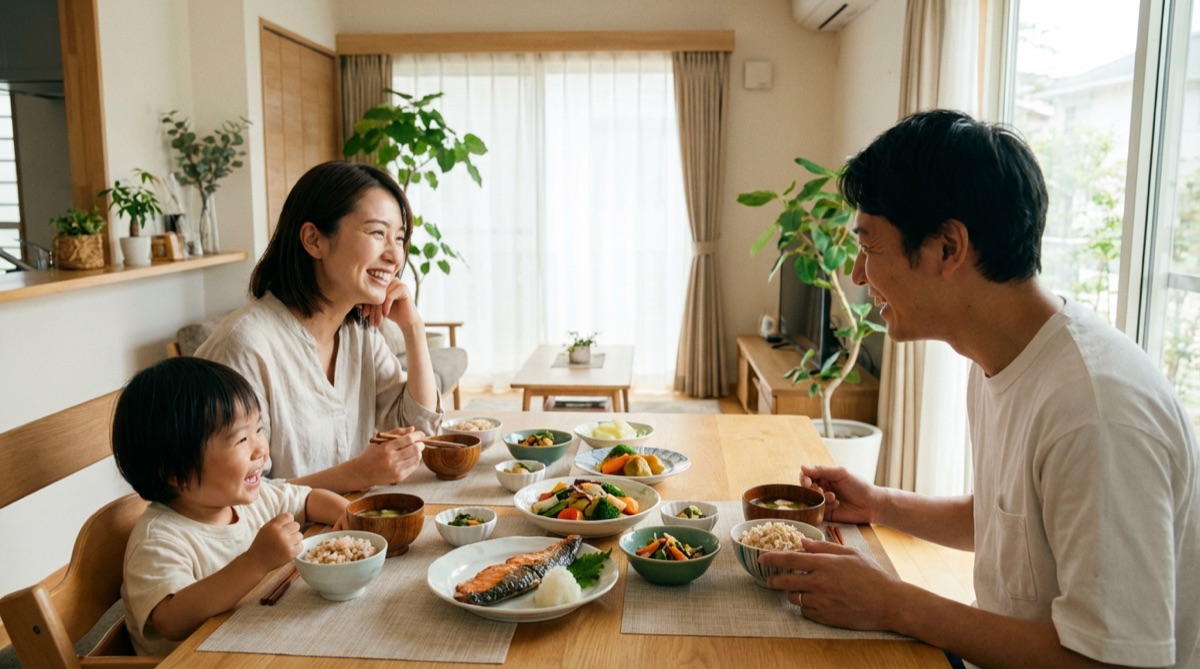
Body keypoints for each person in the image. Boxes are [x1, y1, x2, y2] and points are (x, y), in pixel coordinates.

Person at [763, 109, 1200, 668]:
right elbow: (1009, 523)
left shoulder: (1094, 412)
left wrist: (894, 603)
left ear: (948, 248)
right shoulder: (998, 354)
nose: (856, 275)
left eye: (870, 248)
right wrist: (879, 504)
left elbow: (1117, 663)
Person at [197, 161, 443, 493]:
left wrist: (413, 328)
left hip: (347, 534)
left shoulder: (359, 334)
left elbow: (415, 432)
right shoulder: (246, 345)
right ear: (314, 240)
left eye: (399, 238)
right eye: (377, 233)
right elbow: (238, 496)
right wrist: (357, 474)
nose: (394, 255)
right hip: (279, 543)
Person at [112, 357, 349, 656]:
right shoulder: (159, 540)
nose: (261, 448)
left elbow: (307, 499)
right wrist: (255, 562)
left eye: (259, 430)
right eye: (241, 440)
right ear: (175, 472)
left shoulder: (249, 499)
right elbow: (171, 620)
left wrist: (347, 514)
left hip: (251, 643)